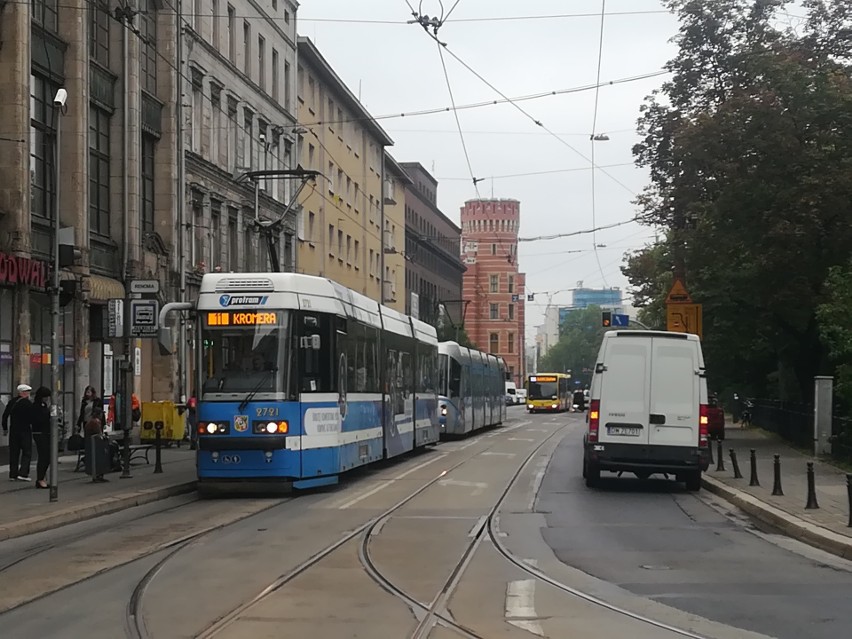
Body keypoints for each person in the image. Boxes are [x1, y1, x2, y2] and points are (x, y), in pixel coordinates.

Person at [4, 384, 34, 481]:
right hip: (25, 430)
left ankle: (13, 474)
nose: (28, 394)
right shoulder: (28, 403)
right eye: (27, 392)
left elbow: (5, 416)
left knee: (14, 452)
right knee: (27, 452)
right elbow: (32, 417)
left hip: (13, 430)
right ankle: (23, 473)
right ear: (22, 392)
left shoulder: (12, 402)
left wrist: (5, 428)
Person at [30, 387, 52, 489]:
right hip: (40, 433)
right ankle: (40, 479)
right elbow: (38, 419)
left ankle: (42, 478)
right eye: (45, 397)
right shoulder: (36, 406)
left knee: (47, 456)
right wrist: (49, 414)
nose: (47, 399)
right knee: (44, 456)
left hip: (45, 433)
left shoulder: (43, 406)